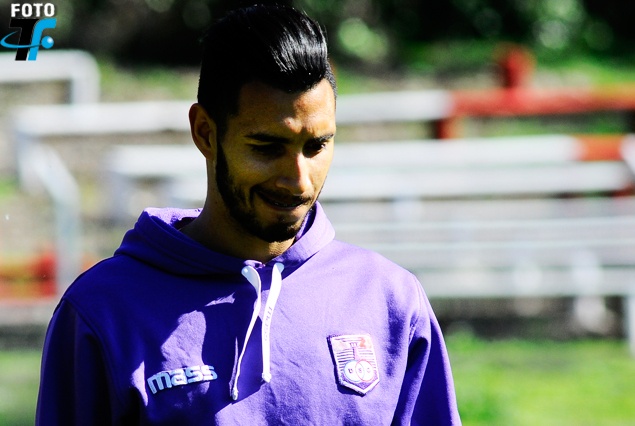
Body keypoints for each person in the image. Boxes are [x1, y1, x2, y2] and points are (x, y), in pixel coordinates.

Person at [36, 3, 460, 425]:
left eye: (316, 146)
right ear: (205, 133)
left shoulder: (389, 300)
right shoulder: (102, 311)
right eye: (267, 148)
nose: (298, 181)